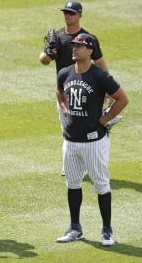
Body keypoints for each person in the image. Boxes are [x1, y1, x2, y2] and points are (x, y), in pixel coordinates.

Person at [55, 33, 128, 246]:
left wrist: (105, 119)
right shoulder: (65, 72)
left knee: (101, 184)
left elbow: (122, 99)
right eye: (74, 45)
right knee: (73, 184)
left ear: (90, 51)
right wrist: (64, 107)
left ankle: (106, 230)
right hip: (70, 141)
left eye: (79, 46)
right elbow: (59, 90)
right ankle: (75, 228)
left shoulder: (100, 76)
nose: (74, 49)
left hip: (94, 141)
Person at [39, 0, 109, 176]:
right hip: (65, 92)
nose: (67, 15)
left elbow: (100, 63)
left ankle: (90, 164)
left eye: (71, 13)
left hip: (88, 92)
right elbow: (43, 60)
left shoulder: (88, 39)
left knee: (88, 129)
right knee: (67, 130)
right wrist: (48, 54)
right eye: (65, 12)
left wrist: (107, 88)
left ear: (79, 15)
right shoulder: (58, 37)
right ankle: (69, 166)